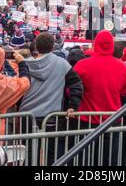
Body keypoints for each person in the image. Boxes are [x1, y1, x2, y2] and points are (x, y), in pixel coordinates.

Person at [19, 32, 83, 165]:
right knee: (50, 154)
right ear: (53, 46)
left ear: (36, 45)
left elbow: (19, 88)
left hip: (28, 114)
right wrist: (73, 106)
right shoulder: (62, 64)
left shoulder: (25, 64)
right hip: (51, 115)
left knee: (29, 152)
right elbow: (77, 84)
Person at [73, 30, 126, 165]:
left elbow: (72, 89)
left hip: (86, 121)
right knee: (109, 160)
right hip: (112, 120)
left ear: (95, 44)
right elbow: (122, 92)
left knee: (85, 160)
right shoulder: (123, 68)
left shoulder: (81, 65)